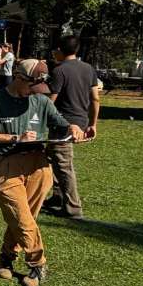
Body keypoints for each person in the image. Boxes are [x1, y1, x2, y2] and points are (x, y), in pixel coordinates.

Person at [0, 59, 85, 286]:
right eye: (32, 87)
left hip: (38, 165)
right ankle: (38, 263)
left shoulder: (41, 101)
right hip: (7, 165)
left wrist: (73, 128)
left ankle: (6, 256)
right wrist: (15, 138)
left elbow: (61, 123)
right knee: (22, 217)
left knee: (25, 217)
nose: (35, 93)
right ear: (19, 78)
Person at [43, 35, 100, 219]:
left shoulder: (59, 71)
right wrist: (92, 124)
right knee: (53, 157)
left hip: (64, 124)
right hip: (81, 121)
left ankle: (73, 208)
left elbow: (51, 101)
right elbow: (95, 99)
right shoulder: (88, 69)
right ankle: (57, 197)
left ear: (60, 50)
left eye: (55, 50)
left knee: (64, 164)